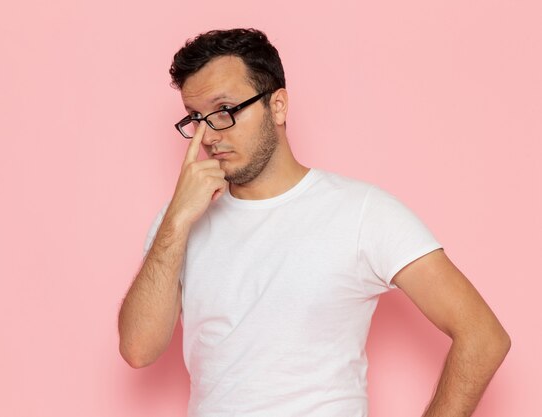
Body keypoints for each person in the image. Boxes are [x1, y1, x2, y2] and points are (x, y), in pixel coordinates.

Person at [118, 28, 510, 417]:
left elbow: (482, 336)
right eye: (196, 119)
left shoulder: (361, 211)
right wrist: (176, 220)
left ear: (278, 106)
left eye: (224, 111)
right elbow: (138, 349)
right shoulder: (178, 220)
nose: (209, 136)